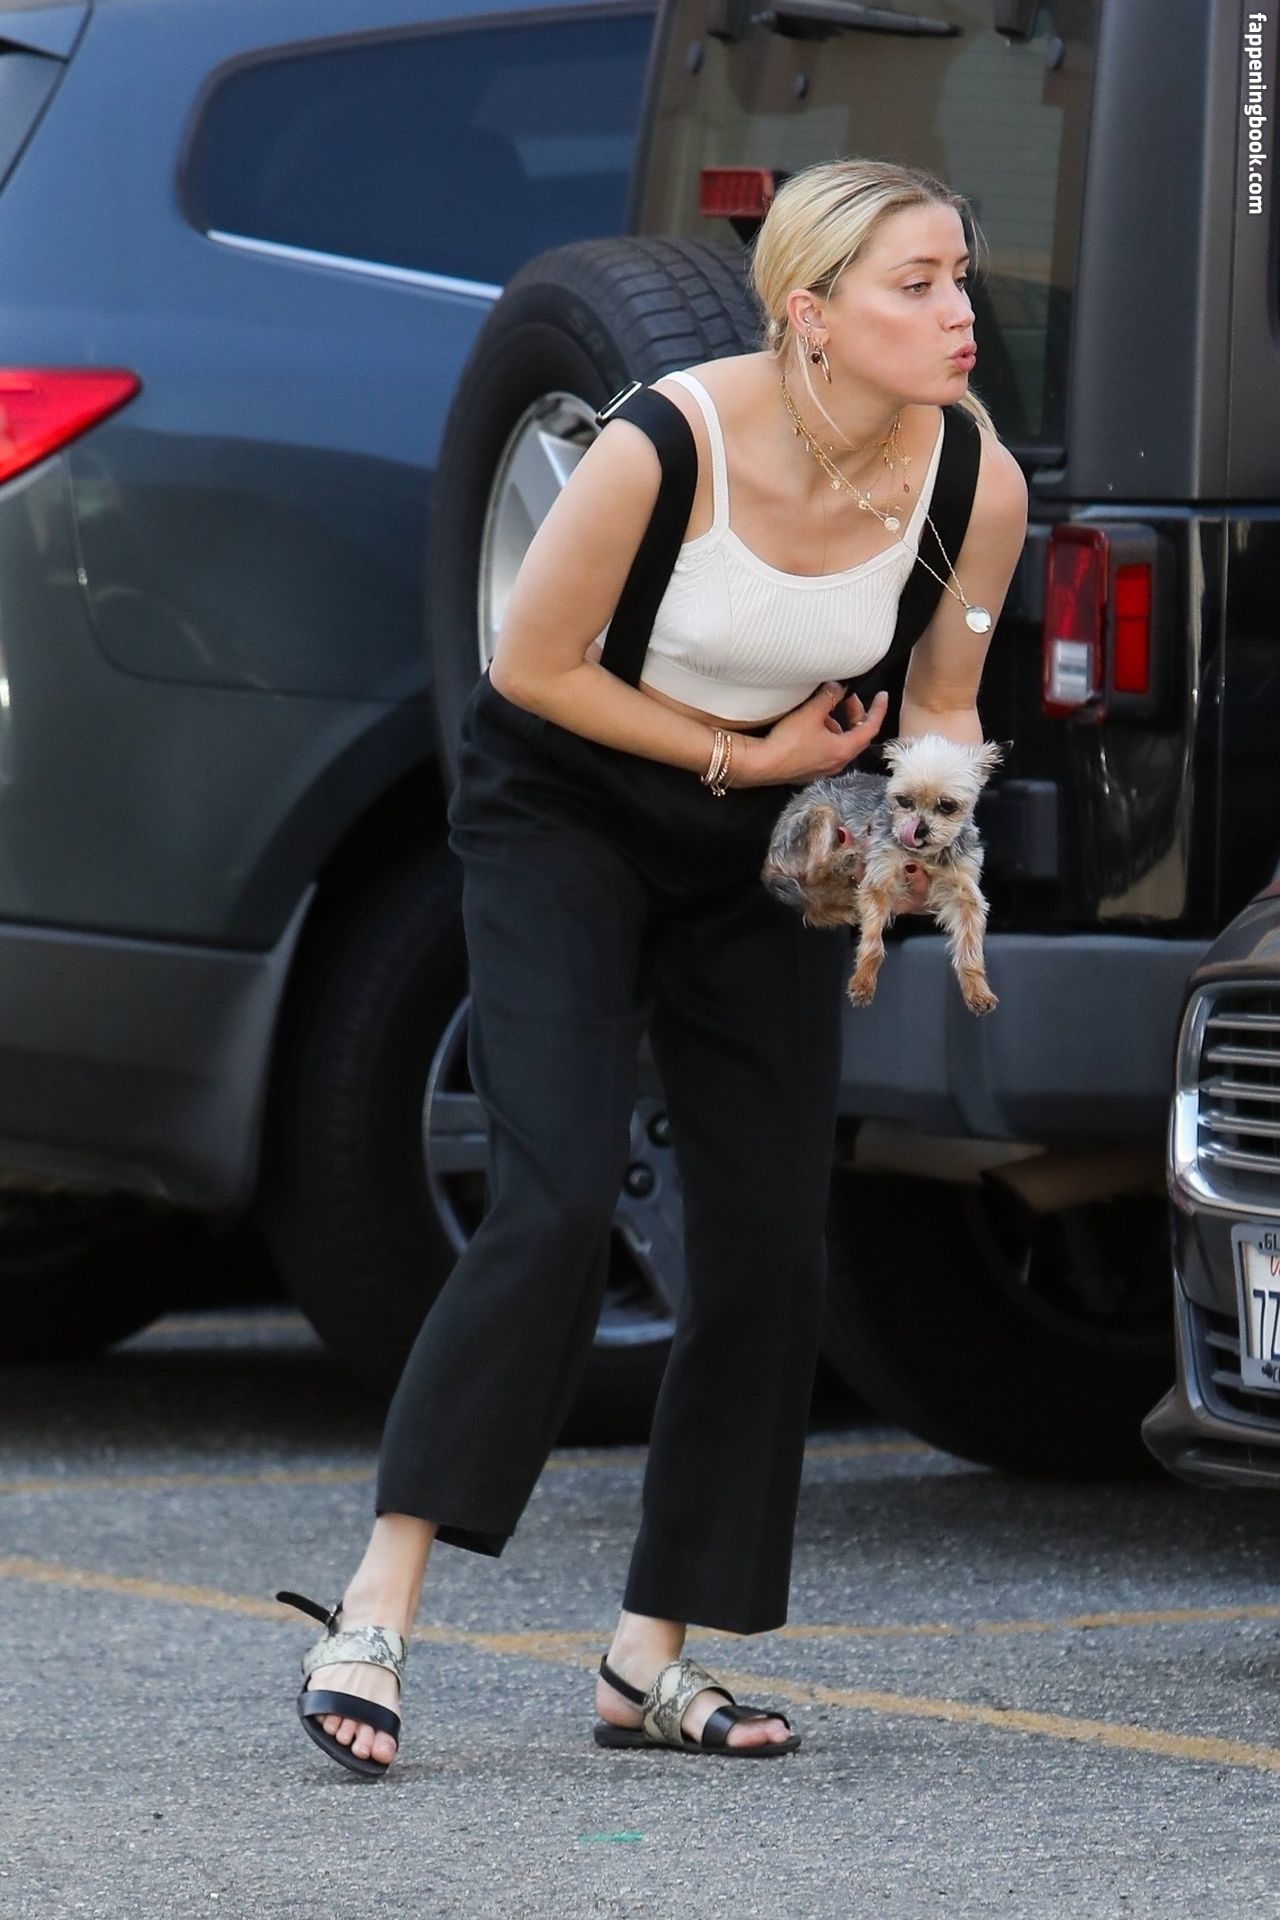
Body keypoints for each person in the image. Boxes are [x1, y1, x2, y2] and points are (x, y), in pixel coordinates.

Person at [278, 155, 1029, 1775]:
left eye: (961, 277)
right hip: (568, 799)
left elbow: (942, 701)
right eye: (916, 285)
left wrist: (927, 811)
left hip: (771, 832)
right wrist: (737, 758)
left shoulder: (977, 480)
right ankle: (375, 1607)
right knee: (554, 1199)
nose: (960, 312)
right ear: (810, 314)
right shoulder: (666, 442)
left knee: (765, 1240)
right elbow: (529, 668)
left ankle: (652, 1658)